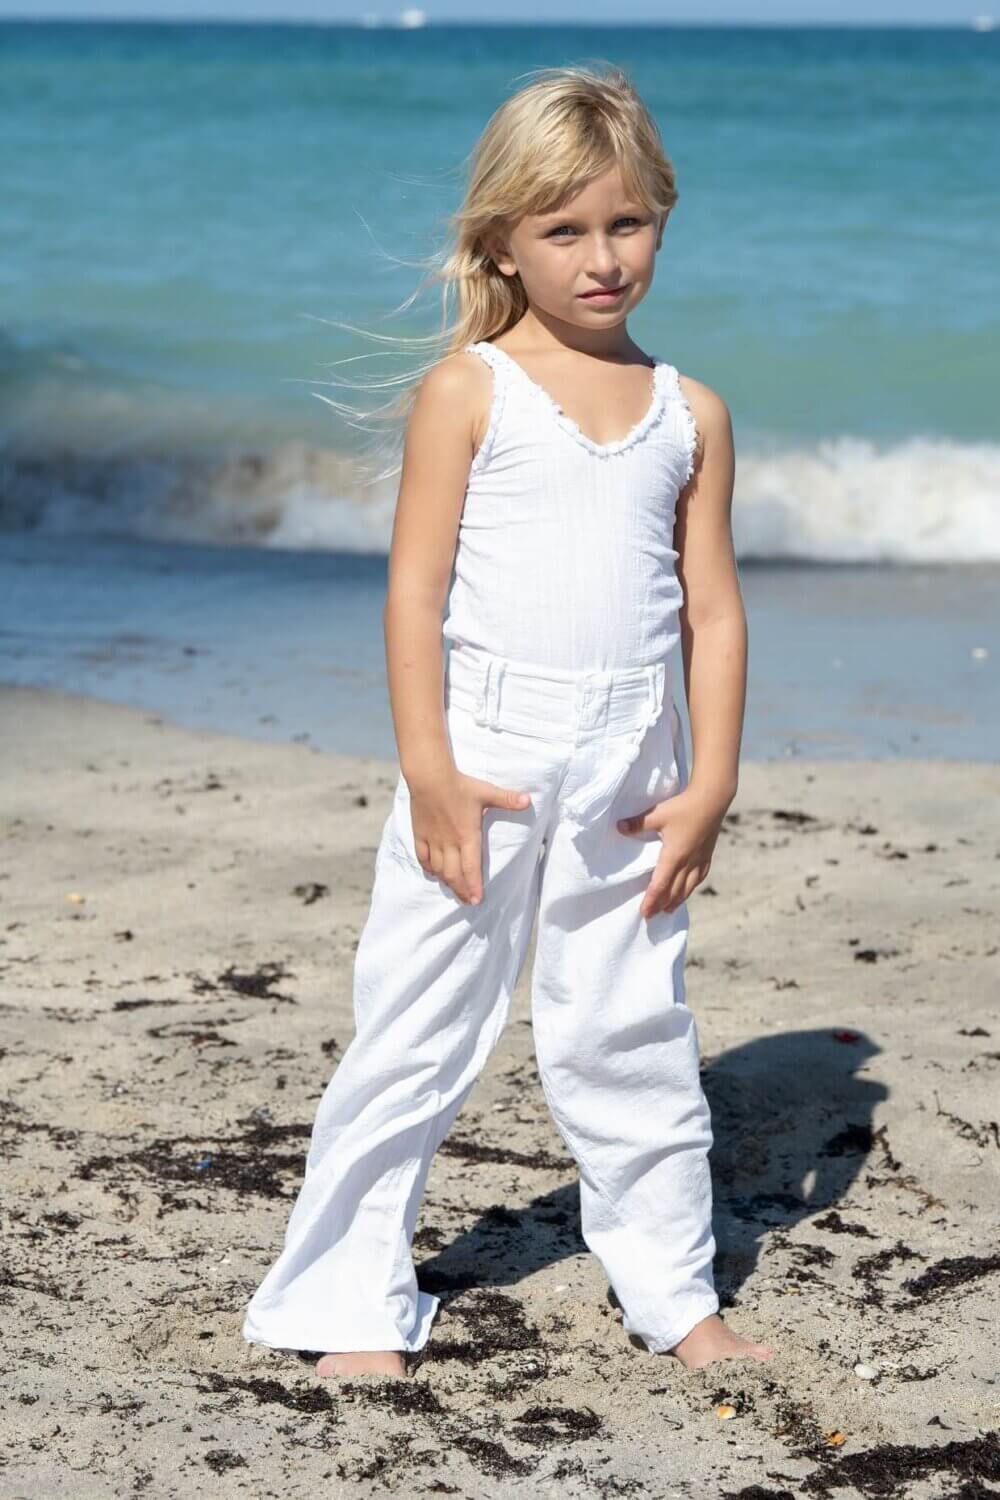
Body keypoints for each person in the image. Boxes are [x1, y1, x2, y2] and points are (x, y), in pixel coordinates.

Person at [242, 62, 773, 1380]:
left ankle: (671, 1290)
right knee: (417, 1026)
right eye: (566, 230)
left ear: (664, 216)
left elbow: (714, 614)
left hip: (634, 768)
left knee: (631, 1031)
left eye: (629, 223)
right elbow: (414, 591)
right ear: (502, 242)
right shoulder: (471, 392)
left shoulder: (687, 413)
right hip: (481, 752)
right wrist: (428, 768)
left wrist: (710, 784)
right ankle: (346, 1300)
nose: (603, 258)